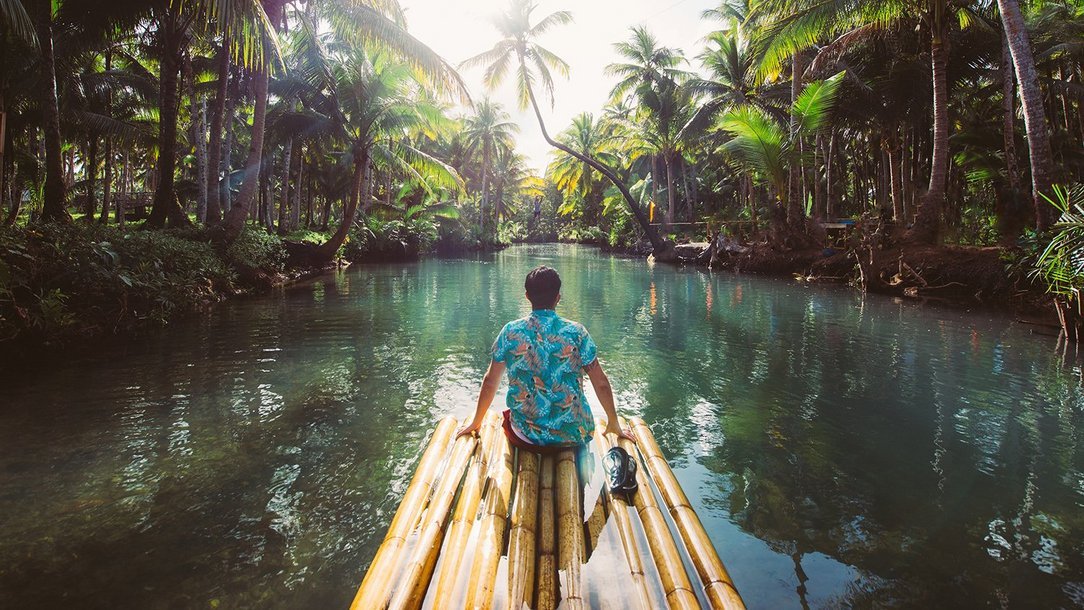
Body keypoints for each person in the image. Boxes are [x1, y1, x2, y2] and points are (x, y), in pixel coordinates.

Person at [456, 266, 633, 449]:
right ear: (558, 297)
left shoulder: (510, 332)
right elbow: (601, 383)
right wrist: (614, 421)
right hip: (573, 434)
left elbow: (491, 381)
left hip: (525, 435)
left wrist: (476, 421)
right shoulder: (577, 333)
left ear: (527, 296)